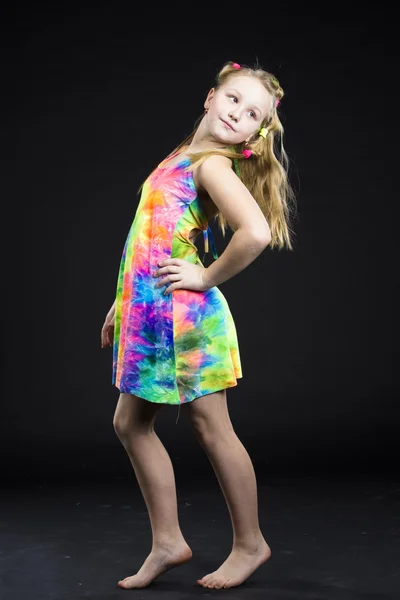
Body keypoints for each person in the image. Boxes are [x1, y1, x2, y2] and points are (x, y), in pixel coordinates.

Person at [101, 60, 296, 590]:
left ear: (256, 133)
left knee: (212, 428)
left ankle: (251, 543)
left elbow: (253, 233)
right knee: (130, 424)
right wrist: (122, 304)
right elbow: (153, 237)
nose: (238, 113)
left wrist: (206, 277)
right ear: (211, 98)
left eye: (252, 113)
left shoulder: (213, 166)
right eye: (233, 99)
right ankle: (168, 542)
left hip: (188, 321)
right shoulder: (182, 156)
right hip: (150, 311)